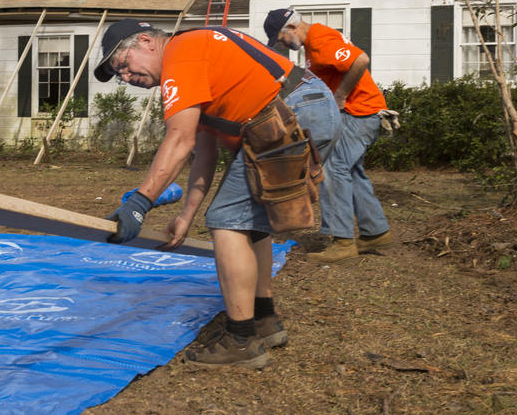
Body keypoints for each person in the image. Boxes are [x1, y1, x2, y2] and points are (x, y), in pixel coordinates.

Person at [94, 19, 341, 369]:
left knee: (228, 221)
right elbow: (203, 153)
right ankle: (264, 321)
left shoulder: (181, 53)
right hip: (304, 106)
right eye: (119, 75)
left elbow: (179, 140)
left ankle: (241, 341)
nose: (127, 78)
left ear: (147, 42)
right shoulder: (196, 58)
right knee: (252, 223)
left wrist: (139, 202)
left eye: (123, 65)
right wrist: (186, 216)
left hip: (291, 111)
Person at [264, 8, 394, 264]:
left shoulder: (320, 40)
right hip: (363, 114)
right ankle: (375, 231)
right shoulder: (315, 42)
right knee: (351, 170)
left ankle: (342, 240)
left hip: (360, 113)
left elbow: (360, 60)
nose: (282, 45)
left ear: (291, 28)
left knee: (333, 169)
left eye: (280, 38)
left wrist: (340, 96)